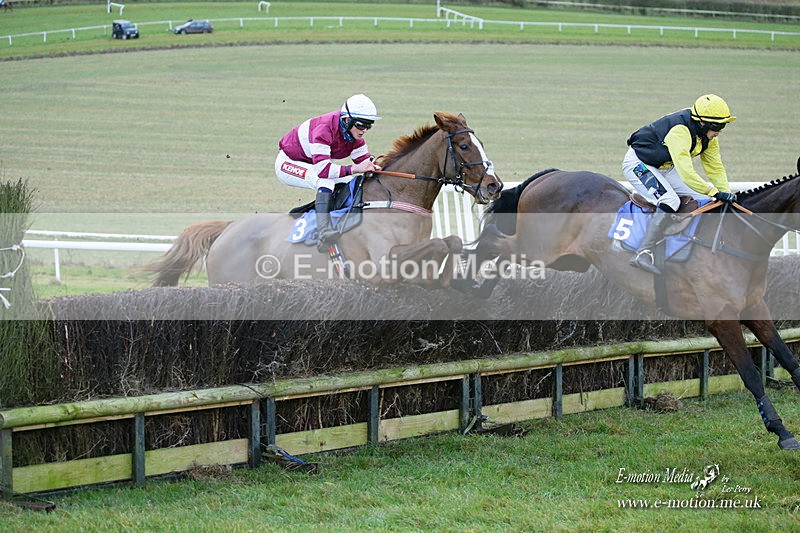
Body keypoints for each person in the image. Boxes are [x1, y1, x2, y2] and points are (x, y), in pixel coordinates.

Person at [623, 94, 737, 275]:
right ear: (702, 123)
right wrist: (715, 191)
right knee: (670, 200)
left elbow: (715, 168)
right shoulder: (680, 131)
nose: (719, 132)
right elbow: (686, 173)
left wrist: (725, 193)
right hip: (640, 163)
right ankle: (642, 252)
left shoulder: (709, 138)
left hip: (665, 166)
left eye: (723, 126)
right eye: (716, 127)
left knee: (704, 200)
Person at [276, 94, 382, 245]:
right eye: (360, 125)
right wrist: (354, 168)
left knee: (351, 183)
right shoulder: (323, 129)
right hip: (288, 163)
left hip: (315, 164)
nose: (364, 130)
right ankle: (323, 231)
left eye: (369, 125)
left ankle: (315, 211)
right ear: (347, 120)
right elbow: (324, 171)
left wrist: (375, 166)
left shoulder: (354, 136)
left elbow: (364, 162)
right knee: (325, 182)